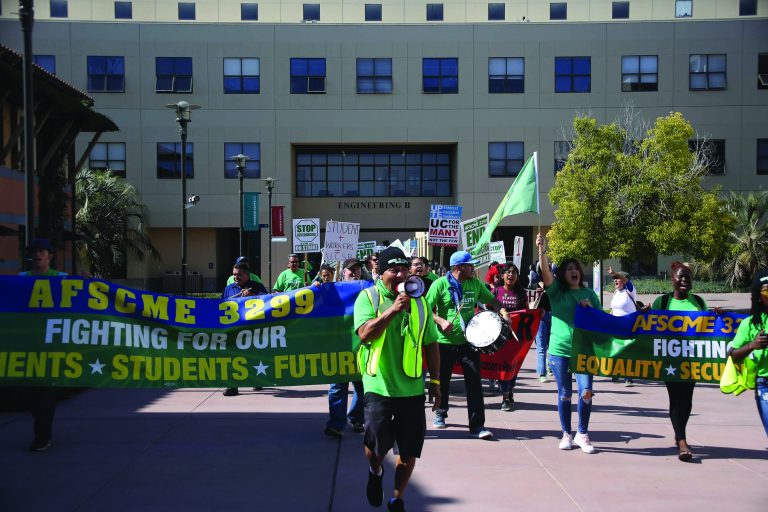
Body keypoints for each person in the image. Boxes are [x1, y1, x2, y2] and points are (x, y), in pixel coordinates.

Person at [354, 247, 440, 512]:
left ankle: (396, 498)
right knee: (375, 448)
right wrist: (392, 310)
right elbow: (364, 334)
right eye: (395, 269)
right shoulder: (367, 297)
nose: (402, 274)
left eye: (405, 269)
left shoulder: (421, 301)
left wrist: (436, 384)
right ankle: (375, 471)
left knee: (409, 451)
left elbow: (431, 343)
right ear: (380, 272)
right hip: (378, 385)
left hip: (411, 387)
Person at [425, 250, 510, 440]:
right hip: (444, 342)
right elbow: (425, 309)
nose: (473, 268)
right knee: (443, 380)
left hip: (470, 343)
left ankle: (477, 425)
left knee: (474, 384)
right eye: (470, 265)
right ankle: (441, 412)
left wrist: (503, 311)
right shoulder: (440, 284)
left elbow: (493, 302)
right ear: (458, 268)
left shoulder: (475, 283)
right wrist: (440, 321)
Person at [537, 233, 600, 454]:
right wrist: (541, 250)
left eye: (576, 268)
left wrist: (589, 308)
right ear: (562, 274)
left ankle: (583, 434)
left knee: (587, 391)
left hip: (584, 350)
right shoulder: (556, 292)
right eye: (569, 268)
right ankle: (566, 433)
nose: (574, 271)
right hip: (559, 351)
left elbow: (601, 321)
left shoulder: (590, 293)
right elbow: (545, 273)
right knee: (565, 393)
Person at [650, 261, 714, 462]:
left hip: (692, 361)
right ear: (673, 280)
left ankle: (680, 434)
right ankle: (682, 439)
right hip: (670, 361)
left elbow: (709, 329)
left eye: (688, 276)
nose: (685, 279)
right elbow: (648, 328)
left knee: (687, 401)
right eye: (681, 276)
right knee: (676, 398)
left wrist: (717, 317)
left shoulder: (698, 302)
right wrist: (644, 314)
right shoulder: (663, 302)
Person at [19, 238, 67, 452]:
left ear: (50, 256)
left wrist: (90, 280)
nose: (37, 255)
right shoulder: (22, 279)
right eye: (34, 251)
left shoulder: (62, 280)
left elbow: (85, 295)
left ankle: (43, 436)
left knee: (45, 395)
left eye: (42, 251)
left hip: (51, 347)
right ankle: (42, 430)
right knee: (29, 396)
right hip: (27, 346)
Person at [325, 258, 366, 437]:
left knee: (362, 387)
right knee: (337, 388)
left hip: (361, 347)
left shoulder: (367, 288)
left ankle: (356, 419)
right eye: (351, 270)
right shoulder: (332, 290)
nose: (355, 272)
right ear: (343, 272)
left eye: (357, 269)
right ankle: (336, 424)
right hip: (339, 347)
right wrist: (318, 288)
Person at [729, 269, 768, 437]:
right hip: (764, 384)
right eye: (767, 290)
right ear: (758, 294)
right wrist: (752, 345)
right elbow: (733, 354)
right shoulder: (749, 324)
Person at [221, 262, 268, 397]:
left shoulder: (257, 287)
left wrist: (252, 295)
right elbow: (219, 306)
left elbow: (269, 302)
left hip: (252, 329)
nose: (236, 277)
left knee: (254, 354)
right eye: (234, 274)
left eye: (239, 274)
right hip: (234, 330)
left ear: (247, 275)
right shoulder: (229, 289)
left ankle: (257, 380)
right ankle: (232, 386)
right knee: (232, 357)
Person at [493, 264, 529, 411]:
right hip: (499, 336)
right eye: (508, 272)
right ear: (502, 275)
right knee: (503, 366)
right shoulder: (495, 291)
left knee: (513, 366)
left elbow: (527, 311)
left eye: (514, 273)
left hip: (516, 337)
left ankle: (510, 388)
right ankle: (505, 397)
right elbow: (487, 307)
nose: (511, 275)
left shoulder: (521, 293)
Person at [608, 267, 638, 386]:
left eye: (617, 278)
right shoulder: (616, 293)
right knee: (616, 350)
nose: (615, 280)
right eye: (614, 278)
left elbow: (626, 281)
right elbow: (614, 309)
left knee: (627, 351)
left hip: (628, 326)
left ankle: (628, 378)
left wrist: (615, 272)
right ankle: (616, 373)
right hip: (616, 326)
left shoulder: (630, 290)